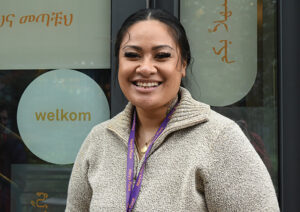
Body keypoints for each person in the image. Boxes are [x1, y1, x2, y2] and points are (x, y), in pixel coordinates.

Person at [66, 9, 279, 211]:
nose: (146, 68)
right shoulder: (99, 140)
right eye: (132, 55)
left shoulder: (219, 138)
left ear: (183, 64)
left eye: (162, 56)